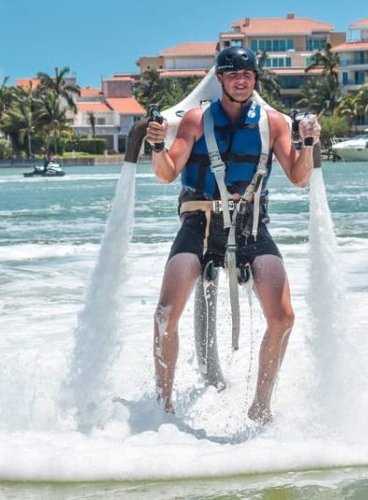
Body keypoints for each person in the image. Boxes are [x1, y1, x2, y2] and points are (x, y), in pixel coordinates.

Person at [146, 46, 321, 424]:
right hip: (200, 225)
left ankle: (260, 407)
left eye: (248, 75)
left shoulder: (273, 123)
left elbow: (300, 177)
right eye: (233, 75)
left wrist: (308, 143)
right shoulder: (195, 120)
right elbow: (165, 173)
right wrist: (157, 145)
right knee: (164, 316)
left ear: (254, 80)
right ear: (221, 80)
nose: (242, 80)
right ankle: (164, 407)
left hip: (250, 226)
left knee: (284, 317)